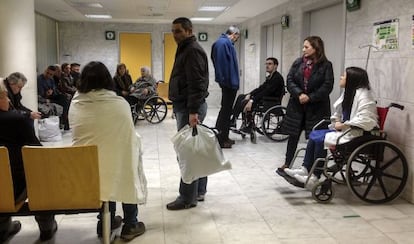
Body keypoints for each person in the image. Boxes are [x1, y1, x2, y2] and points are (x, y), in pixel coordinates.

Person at [69, 61, 147, 241]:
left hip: (85, 165)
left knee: (104, 166)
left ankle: (106, 221)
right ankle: (131, 224)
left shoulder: (76, 102)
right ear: (107, 80)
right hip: (114, 162)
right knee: (125, 164)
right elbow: (128, 136)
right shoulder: (119, 104)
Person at [284, 67, 378, 185]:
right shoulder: (348, 93)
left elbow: (366, 120)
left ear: (352, 79)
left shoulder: (365, 96)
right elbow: (338, 113)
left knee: (321, 139)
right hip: (344, 131)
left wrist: (344, 125)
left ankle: (315, 176)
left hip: (356, 134)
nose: (341, 77)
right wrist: (337, 121)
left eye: (344, 76)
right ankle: (305, 169)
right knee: (314, 134)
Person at [0, 82, 57, 242]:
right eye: (6, 97)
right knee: (40, 177)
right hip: (17, 187)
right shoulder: (17, 119)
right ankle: (46, 227)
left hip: (2, 189)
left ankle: (3, 228)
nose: (9, 101)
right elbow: (36, 151)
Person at [166, 17, 209, 210]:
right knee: (194, 150)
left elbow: (197, 83)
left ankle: (186, 198)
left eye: (178, 31)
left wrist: (192, 111)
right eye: (173, 31)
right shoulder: (186, 48)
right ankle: (198, 191)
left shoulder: (192, 50)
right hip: (185, 107)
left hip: (190, 108)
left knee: (187, 154)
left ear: (189, 31)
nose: (175, 35)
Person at [276, 36, 334, 175]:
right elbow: (290, 80)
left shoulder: (326, 65)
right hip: (297, 107)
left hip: (316, 108)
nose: (303, 50)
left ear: (316, 48)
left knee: (315, 138)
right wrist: (299, 94)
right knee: (293, 136)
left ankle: (312, 169)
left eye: (306, 47)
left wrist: (310, 97)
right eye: (303, 47)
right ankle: (287, 163)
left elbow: (327, 86)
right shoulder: (298, 63)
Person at [230, 57, 285, 130]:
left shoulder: (277, 78)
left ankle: (248, 126)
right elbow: (260, 88)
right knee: (241, 96)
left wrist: (252, 100)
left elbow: (266, 92)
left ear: (275, 66)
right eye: (266, 64)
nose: (267, 66)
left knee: (245, 102)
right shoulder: (270, 77)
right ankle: (234, 119)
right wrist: (250, 94)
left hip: (270, 101)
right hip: (265, 99)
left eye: (270, 64)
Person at [211, 25, 240, 148]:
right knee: (225, 111)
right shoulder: (223, 44)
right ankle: (221, 139)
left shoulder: (224, 43)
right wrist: (226, 82)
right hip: (228, 83)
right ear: (234, 35)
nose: (235, 40)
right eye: (236, 38)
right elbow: (222, 65)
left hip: (229, 83)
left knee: (226, 111)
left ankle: (224, 136)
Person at [37, 65, 71, 130]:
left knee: (65, 99)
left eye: (51, 74)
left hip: (51, 97)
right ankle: (64, 122)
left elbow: (54, 90)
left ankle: (65, 121)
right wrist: (46, 95)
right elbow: (40, 94)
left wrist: (52, 91)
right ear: (45, 71)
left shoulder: (51, 79)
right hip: (44, 98)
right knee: (64, 101)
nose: (48, 75)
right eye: (47, 73)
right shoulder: (39, 79)